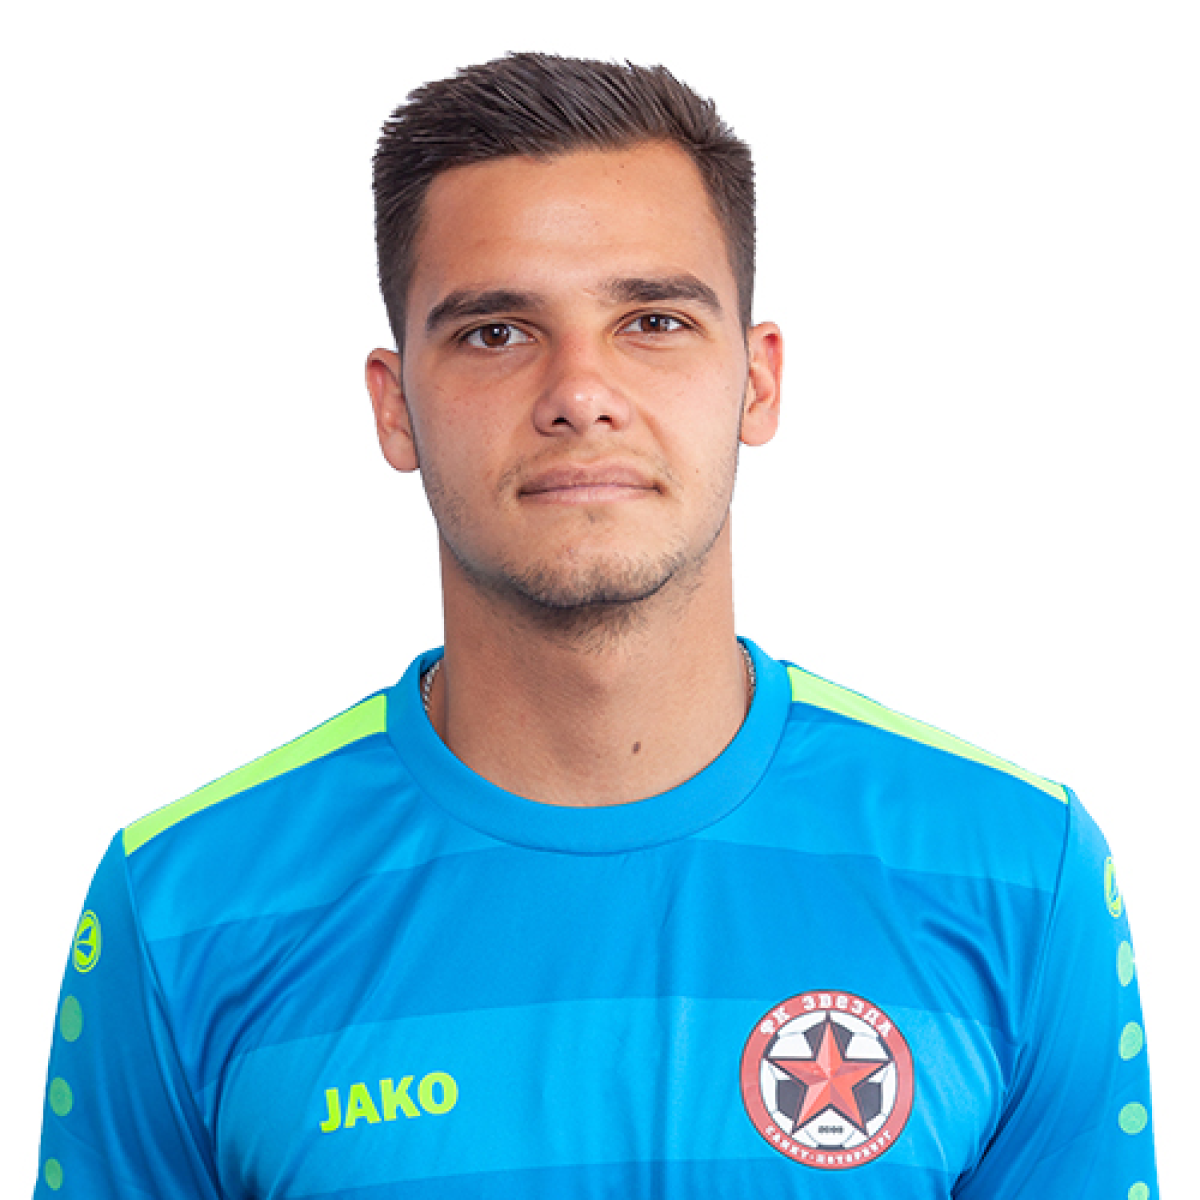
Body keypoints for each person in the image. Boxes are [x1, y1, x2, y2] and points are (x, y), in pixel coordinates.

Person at [33, 52, 1156, 1198]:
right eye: (496, 333)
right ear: (394, 404)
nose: (580, 391)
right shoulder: (181, 907)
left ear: (758, 381)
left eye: (653, 320)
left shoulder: (1019, 871)